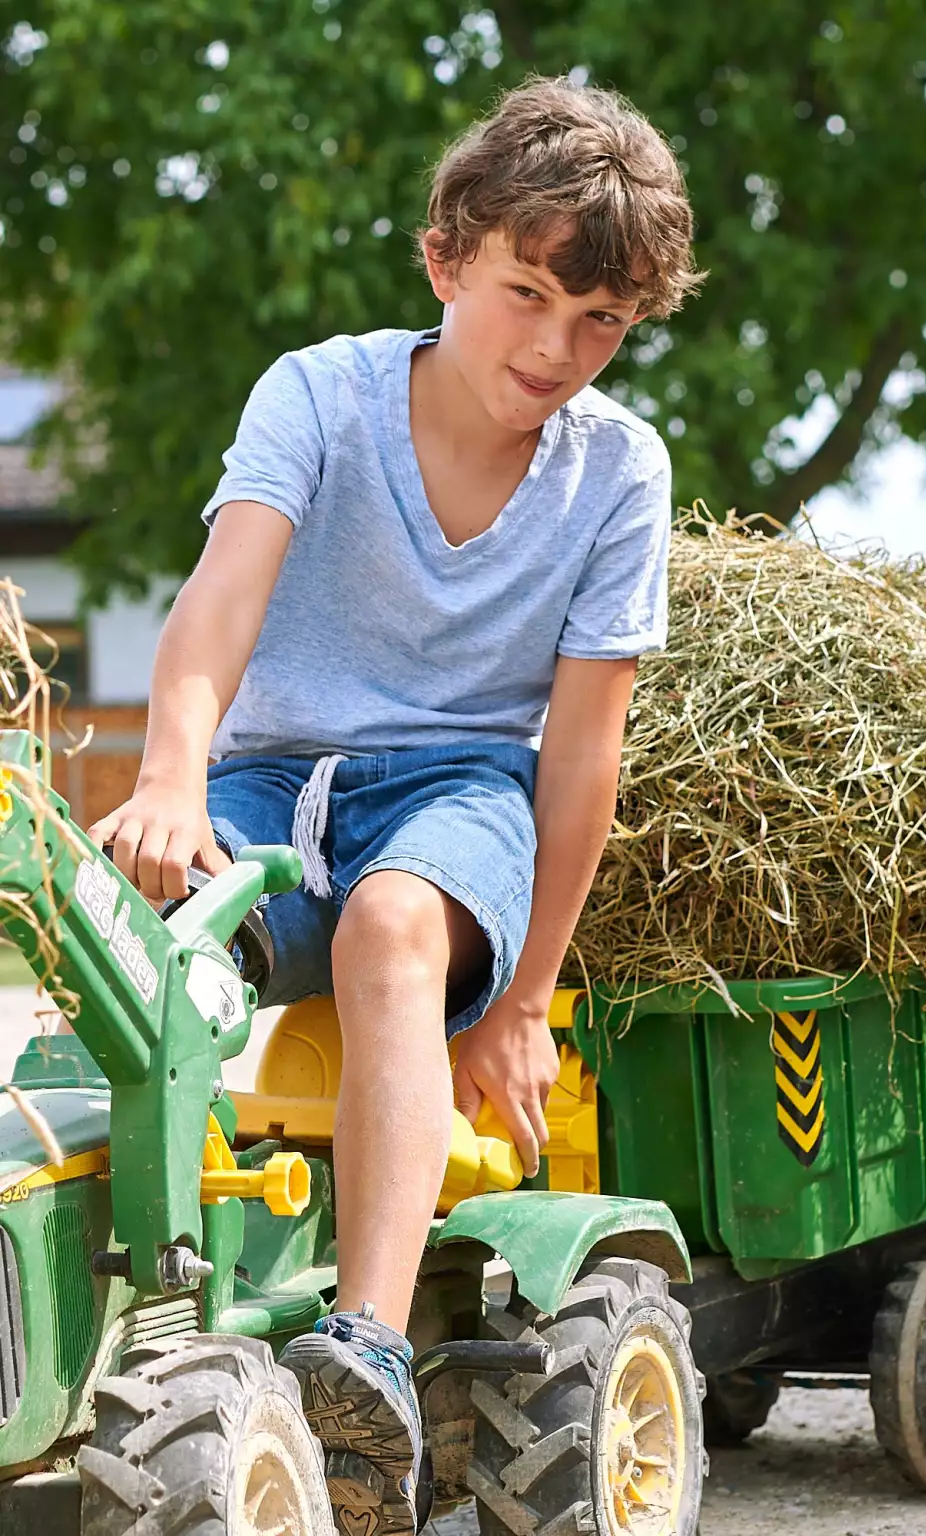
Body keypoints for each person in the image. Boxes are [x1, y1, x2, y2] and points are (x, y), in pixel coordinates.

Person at [88, 73, 701, 1536]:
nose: (558, 348)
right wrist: (171, 778)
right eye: (529, 293)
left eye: (602, 321)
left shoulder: (617, 475)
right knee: (132, 955)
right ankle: (140, 1313)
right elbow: (218, 602)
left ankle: (364, 1347)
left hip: (456, 799)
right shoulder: (322, 392)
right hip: (262, 779)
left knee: (391, 928)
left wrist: (528, 1000)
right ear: (446, 258)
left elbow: (581, 755)